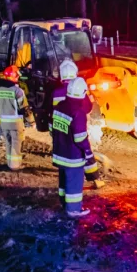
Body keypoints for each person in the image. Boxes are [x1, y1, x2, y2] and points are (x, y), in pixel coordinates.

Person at [53, 59, 106, 190]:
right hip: (77, 125)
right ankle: (95, 178)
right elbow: (87, 108)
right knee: (84, 151)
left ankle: (66, 180)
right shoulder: (78, 87)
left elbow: (55, 111)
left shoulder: (56, 92)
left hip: (60, 128)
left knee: (65, 155)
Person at [52, 76, 93, 218]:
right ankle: (74, 210)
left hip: (60, 153)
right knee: (74, 182)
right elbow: (80, 137)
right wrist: (87, 150)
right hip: (73, 156)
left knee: (64, 180)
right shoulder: (79, 112)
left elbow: (53, 128)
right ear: (83, 93)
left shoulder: (59, 106)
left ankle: (64, 203)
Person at [0, 65, 28, 171]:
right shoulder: (18, 91)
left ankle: (10, 164)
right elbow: (24, 108)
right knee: (16, 144)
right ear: (14, 76)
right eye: (17, 76)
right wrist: (31, 122)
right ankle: (15, 166)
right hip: (15, 123)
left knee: (8, 143)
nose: (18, 77)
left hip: (4, 123)